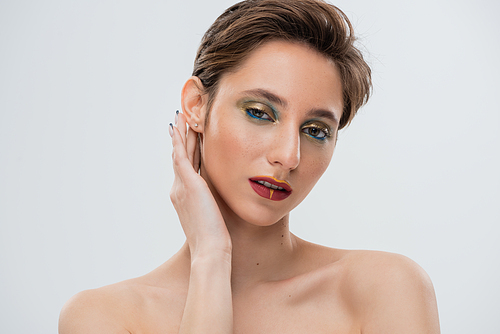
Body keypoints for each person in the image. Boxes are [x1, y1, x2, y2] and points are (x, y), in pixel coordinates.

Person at [59, 0, 440, 332]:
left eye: (316, 130)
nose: (289, 156)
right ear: (196, 105)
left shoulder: (385, 289)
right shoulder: (103, 316)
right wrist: (210, 257)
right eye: (260, 113)